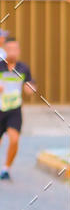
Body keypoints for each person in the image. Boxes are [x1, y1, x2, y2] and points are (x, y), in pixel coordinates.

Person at [0, 37, 35, 180]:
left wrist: (30, 89)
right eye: (10, 49)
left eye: (16, 49)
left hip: (14, 109)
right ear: (5, 51)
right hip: (0, 107)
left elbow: (30, 85)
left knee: (14, 140)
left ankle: (6, 168)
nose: (13, 52)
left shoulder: (23, 68)